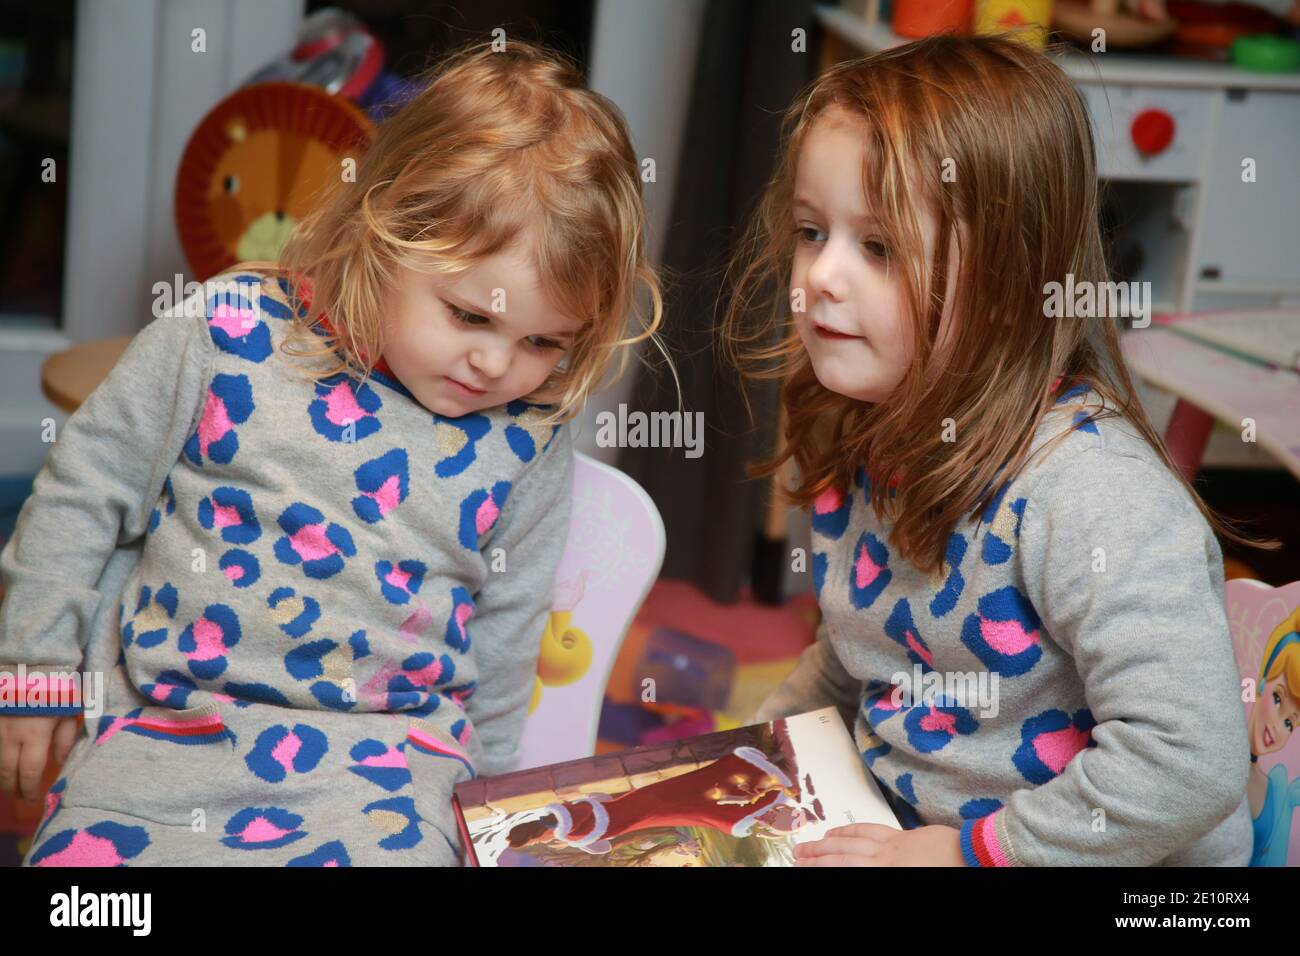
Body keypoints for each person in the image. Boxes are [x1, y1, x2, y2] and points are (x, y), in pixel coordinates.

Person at [0, 39, 663, 867]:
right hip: (159, 734)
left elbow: (507, 638)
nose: (496, 364)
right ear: (382, 230)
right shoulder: (225, 331)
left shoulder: (527, 433)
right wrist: (32, 680)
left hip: (388, 766)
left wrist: (488, 817)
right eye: (468, 316)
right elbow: (78, 496)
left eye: (542, 341)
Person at [723, 35, 1258, 866]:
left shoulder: (1092, 494)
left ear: (1007, 286)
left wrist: (964, 853)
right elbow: (863, 647)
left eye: (879, 247)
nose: (821, 274)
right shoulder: (879, 421)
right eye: (810, 230)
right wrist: (755, 750)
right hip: (911, 822)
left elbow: (1187, 766)